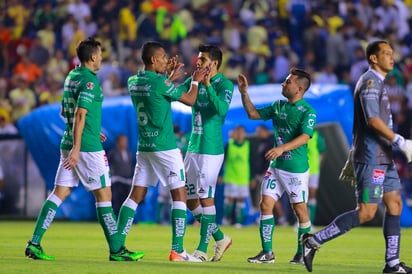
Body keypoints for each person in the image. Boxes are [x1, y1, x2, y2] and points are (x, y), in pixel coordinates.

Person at [25, 37, 143, 262]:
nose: (101, 58)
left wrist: (86, 131)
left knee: (60, 192)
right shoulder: (90, 81)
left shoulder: (72, 76)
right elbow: (79, 113)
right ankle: (117, 250)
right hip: (86, 148)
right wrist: (79, 147)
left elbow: (64, 111)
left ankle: (34, 242)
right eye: (100, 55)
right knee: (104, 195)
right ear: (92, 57)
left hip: (68, 142)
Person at [302, 40, 412, 274]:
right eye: (386, 53)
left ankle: (392, 263)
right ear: (373, 58)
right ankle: (312, 242)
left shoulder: (379, 83)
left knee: (395, 205)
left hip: (384, 156)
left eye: (392, 53)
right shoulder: (370, 82)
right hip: (371, 157)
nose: (392, 57)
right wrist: (400, 141)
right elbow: (373, 121)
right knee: (367, 211)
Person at [115, 41, 208, 262]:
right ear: (154, 59)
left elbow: (156, 89)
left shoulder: (132, 81)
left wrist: (168, 77)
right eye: (164, 57)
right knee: (179, 193)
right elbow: (190, 99)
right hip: (165, 147)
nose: (167, 60)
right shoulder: (159, 83)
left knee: (136, 195)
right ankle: (178, 249)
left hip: (145, 147)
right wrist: (194, 80)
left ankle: (117, 244)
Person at [237, 67, 316, 265]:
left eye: (287, 82)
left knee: (300, 210)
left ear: (299, 89)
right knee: (265, 205)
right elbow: (253, 114)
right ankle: (267, 253)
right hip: (276, 166)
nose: (283, 83)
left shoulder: (308, 111)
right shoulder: (278, 106)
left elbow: (305, 137)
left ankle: (302, 252)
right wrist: (244, 93)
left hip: (295, 169)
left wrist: (281, 148)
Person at [180, 44, 234, 262]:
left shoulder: (225, 84)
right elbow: (178, 95)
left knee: (205, 197)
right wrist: (169, 79)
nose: (198, 63)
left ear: (214, 64)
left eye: (202, 60)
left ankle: (202, 250)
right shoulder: (193, 78)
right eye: (198, 59)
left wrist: (207, 84)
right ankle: (220, 238)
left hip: (211, 150)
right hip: (193, 147)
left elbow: (221, 110)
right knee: (190, 200)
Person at [221, 125, 251, 228]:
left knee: (241, 200)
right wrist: (220, 174)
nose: (239, 134)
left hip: (243, 177)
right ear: (234, 133)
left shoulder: (248, 145)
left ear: (244, 134)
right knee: (229, 199)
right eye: (237, 132)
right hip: (231, 176)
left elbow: (252, 161)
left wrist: (252, 178)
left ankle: (239, 221)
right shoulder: (229, 145)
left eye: (241, 132)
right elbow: (222, 160)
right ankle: (226, 218)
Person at [108, 134, 134, 215]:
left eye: (125, 141)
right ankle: (115, 218)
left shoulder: (129, 153)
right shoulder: (112, 153)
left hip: (127, 181)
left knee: (127, 201)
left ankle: (125, 218)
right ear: (117, 142)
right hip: (117, 181)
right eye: (122, 141)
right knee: (117, 201)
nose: (124, 143)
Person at [306, 130, 327, 225]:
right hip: (301, 169)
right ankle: (300, 221)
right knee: (300, 195)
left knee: (312, 194)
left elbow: (323, 152)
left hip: (314, 170)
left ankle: (311, 221)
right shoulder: (299, 134)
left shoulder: (317, 137)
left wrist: (319, 164)